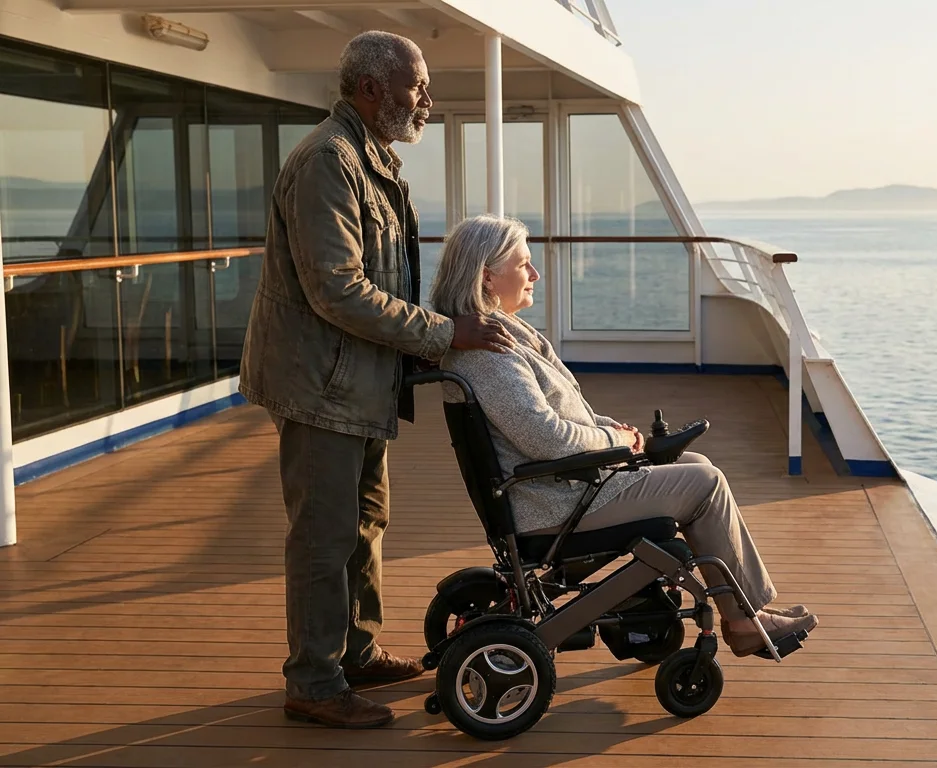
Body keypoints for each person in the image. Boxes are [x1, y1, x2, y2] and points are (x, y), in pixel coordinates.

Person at [238, 31, 516, 729]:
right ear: (371, 89)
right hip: (320, 386)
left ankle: (354, 651)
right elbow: (338, 290)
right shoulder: (328, 163)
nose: (426, 99)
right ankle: (313, 680)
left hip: (358, 382)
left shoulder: (374, 160)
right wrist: (445, 334)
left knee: (364, 522)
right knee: (324, 535)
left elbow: (382, 281)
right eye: (415, 86)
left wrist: (417, 348)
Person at [432, 214, 820, 656]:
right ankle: (744, 620)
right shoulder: (489, 355)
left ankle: (738, 612)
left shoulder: (500, 334)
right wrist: (616, 444)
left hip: (563, 488)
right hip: (553, 504)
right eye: (524, 265)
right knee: (705, 485)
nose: (535, 274)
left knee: (695, 466)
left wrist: (608, 429)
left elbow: (555, 419)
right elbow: (546, 439)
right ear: (486, 277)